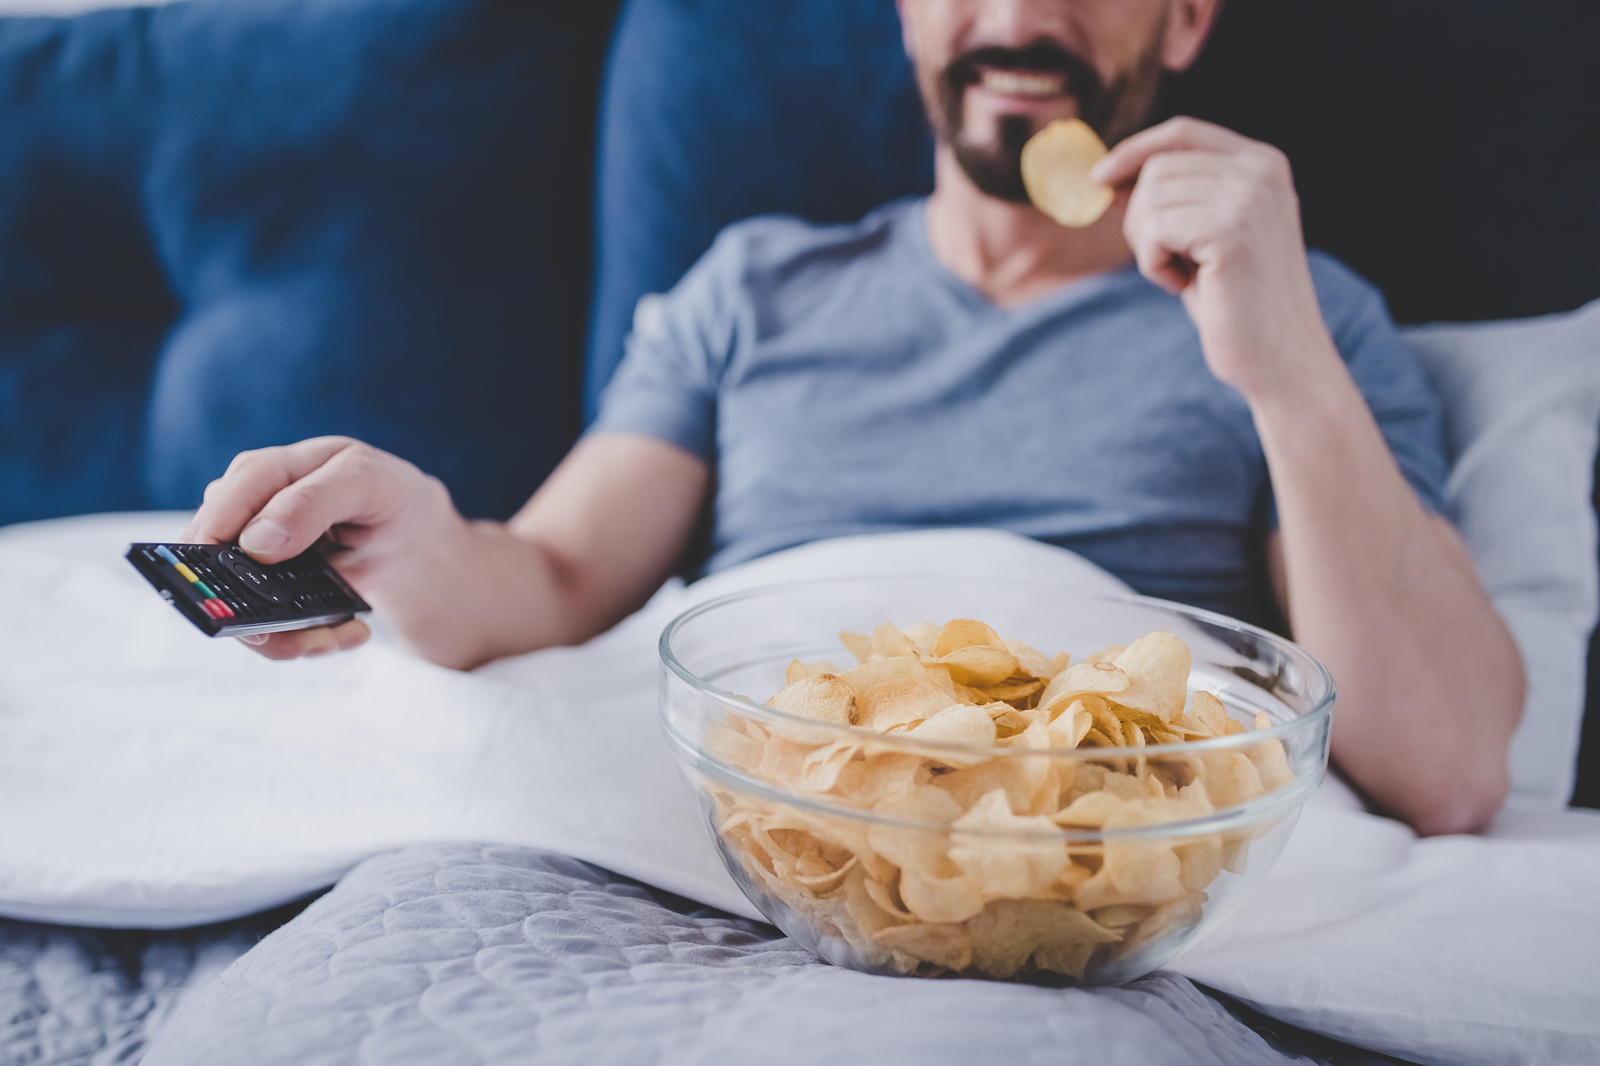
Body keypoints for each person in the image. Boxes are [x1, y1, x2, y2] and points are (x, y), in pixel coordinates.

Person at [183, 0, 1524, 835]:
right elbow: (551, 579)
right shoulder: (753, 290)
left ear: (1185, 19)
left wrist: (1283, 364)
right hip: (746, 814)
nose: (1019, 12)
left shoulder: (1299, 310)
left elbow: (1450, 770)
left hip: (1060, 857)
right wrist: (405, 533)